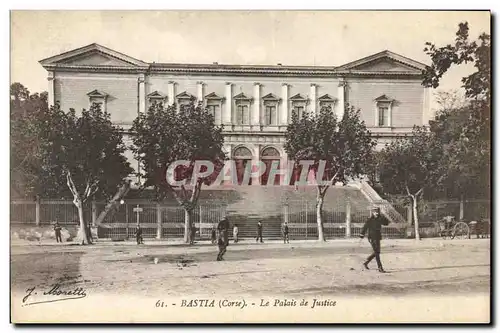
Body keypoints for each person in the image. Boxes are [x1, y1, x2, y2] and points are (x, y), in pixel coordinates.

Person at [360, 207, 390, 273]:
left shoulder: (380, 218)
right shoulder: (370, 219)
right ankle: (380, 267)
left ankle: (366, 262)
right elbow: (365, 227)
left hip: (378, 237)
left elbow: (387, 223)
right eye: (375, 212)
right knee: (377, 252)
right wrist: (362, 235)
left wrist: (383, 216)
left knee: (377, 252)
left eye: (377, 212)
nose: (376, 213)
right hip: (371, 237)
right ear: (373, 212)